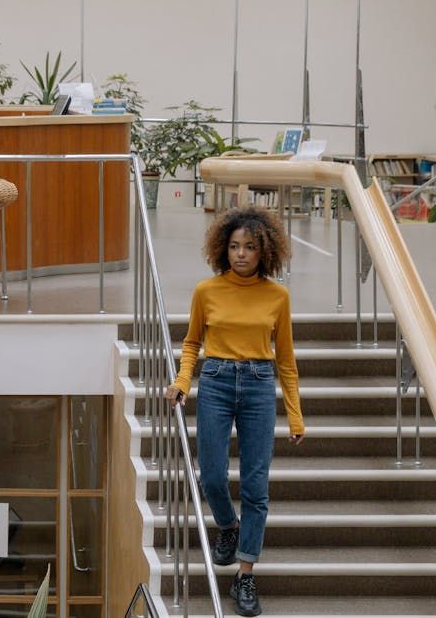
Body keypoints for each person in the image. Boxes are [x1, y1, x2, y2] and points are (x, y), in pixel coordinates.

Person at [164, 206, 304, 617]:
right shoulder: (206, 292)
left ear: (265, 251)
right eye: (234, 247)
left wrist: (295, 415)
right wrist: (182, 381)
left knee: (256, 487)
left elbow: (287, 361)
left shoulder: (278, 297)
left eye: (249, 248)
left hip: (260, 386)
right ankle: (228, 526)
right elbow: (192, 344)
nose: (241, 254)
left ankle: (245, 575)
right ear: (222, 249)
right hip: (217, 381)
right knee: (210, 475)